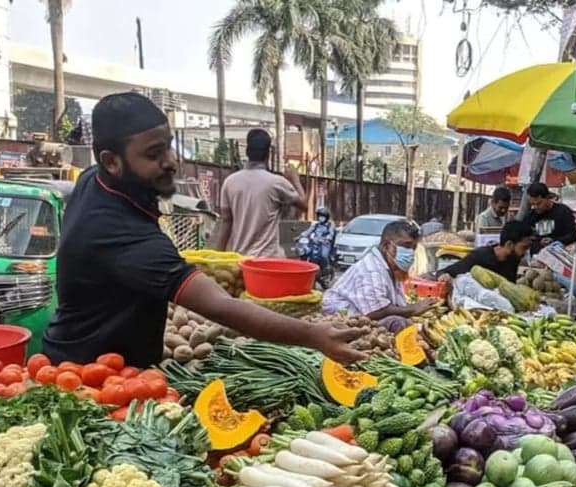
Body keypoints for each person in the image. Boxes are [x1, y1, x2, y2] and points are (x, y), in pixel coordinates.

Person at [42, 92, 363, 368]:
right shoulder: (125, 236)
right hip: (91, 376)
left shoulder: (93, 180)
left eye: (168, 146)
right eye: (154, 154)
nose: (170, 162)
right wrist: (312, 335)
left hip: (85, 356)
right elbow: (222, 306)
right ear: (111, 161)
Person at [322, 218, 435, 331]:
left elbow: (395, 303)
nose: (410, 252)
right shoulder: (372, 270)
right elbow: (375, 311)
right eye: (406, 246)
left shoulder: (392, 267)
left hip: (361, 317)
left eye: (413, 248)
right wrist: (412, 309)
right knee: (397, 322)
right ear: (386, 245)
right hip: (339, 320)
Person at [213, 128, 307, 257]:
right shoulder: (277, 183)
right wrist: (295, 179)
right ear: (268, 154)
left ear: (247, 152)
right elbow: (304, 205)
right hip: (269, 262)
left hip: (241, 262)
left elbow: (226, 221)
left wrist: (217, 257)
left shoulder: (230, 182)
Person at [437, 220, 533, 285]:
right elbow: (445, 272)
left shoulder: (512, 260)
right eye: (524, 247)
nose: (525, 252)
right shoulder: (481, 256)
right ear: (509, 245)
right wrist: (444, 276)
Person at [523, 183, 576, 252]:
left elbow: (572, 235)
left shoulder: (563, 212)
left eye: (539, 203)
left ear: (547, 198)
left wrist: (555, 240)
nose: (536, 207)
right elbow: (526, 239)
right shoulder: (530, 217)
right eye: (532, 204)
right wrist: (539, 241)